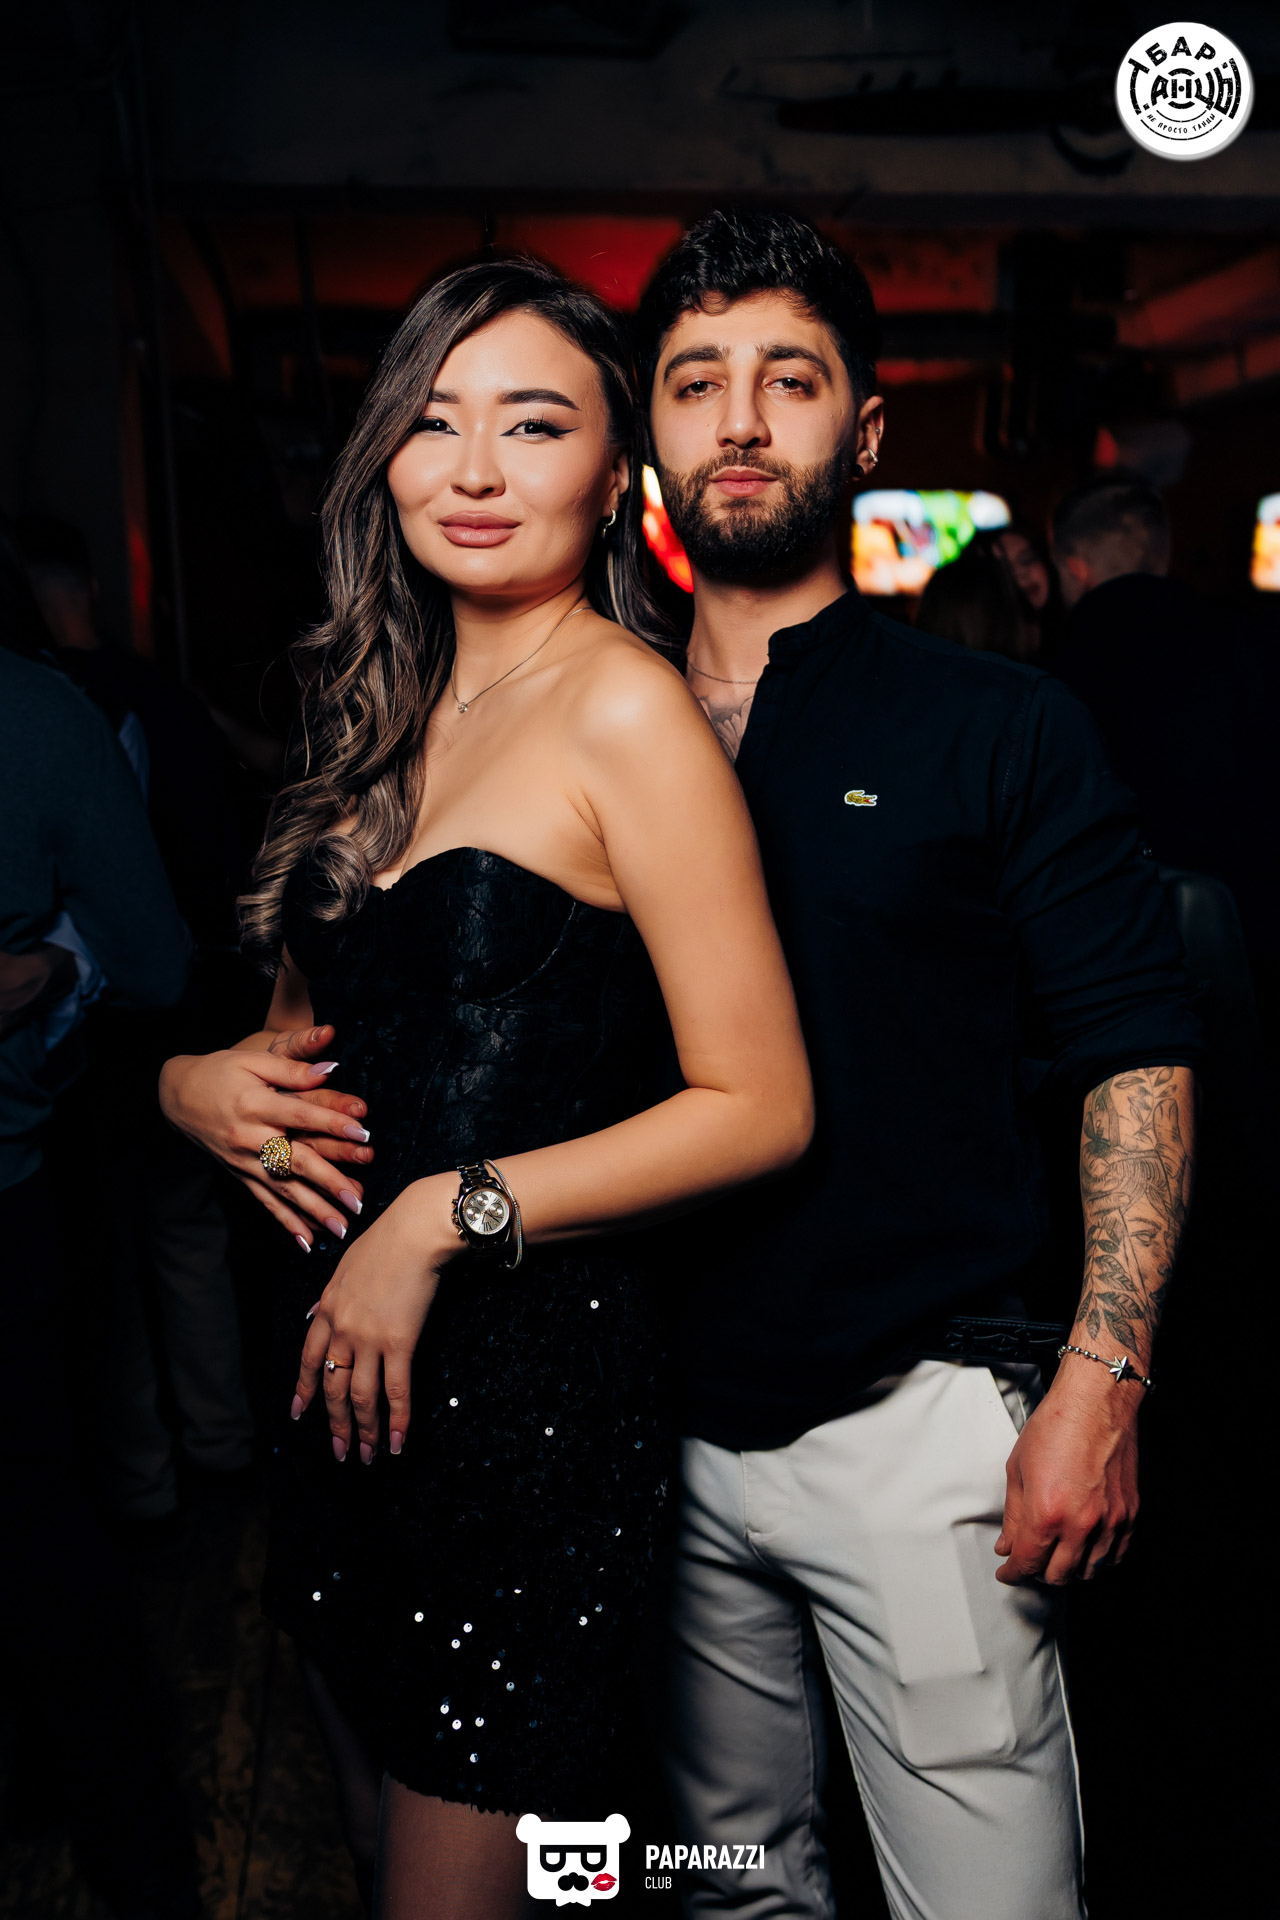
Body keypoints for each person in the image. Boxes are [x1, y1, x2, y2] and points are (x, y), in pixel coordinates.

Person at [158, 256, 813, 1918]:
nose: (471, 469)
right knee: (371, 1836)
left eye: (531, 425)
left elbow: (760, 1103)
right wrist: (191, 1087)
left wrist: (440, 1219)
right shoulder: (372, 709)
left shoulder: (627, 712)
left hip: (525, 1422)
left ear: (613, 473)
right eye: (433, 420)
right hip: (335, 1395)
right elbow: (304, 1040)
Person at [626, 211, 1200, 1920]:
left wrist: (1104, 1378)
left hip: (917, 1428)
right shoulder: (587, 724)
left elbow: (1135, 1049)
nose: (739, 421)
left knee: (991, 1904)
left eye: (788, 381)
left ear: (865, 431)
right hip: (644, 1429)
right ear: (646, 432)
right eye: (695, 382)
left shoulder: (996, 726)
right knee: (731, 1884)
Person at [0, 625, 198, 1915]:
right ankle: (142, 1875)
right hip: (12, 1202)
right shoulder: (38, 712)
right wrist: (65, 960)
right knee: (44, 1538)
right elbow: (159, 960)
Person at [17, 512, 255, 1522]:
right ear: (90, 587)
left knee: (115, 1249)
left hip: (111, 1038)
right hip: (187, 1011)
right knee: (184, 1232)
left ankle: (148, 1481)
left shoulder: (56, 709)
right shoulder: (157, 696)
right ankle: (220, 1442)